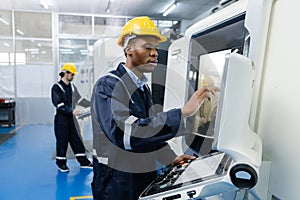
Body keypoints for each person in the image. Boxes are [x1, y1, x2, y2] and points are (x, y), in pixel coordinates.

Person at [91, 16, 213, 200]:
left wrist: (170, 158)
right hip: (116, 182)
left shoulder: (142, 87)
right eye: (148, 47)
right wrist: (183, 112)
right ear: (128, 49)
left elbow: (149, 132)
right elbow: (126, 134)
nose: (155, 53)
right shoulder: (108, 86)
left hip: (140, 176)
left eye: (156, 48)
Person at [51, 62, 93, 172]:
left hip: (72, 119)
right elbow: (59, 105)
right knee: (62, 141)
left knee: (77, 139)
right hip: (61, 120)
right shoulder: (57, 87)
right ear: (65, 73)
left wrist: (92, 104)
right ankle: (61, 163)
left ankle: (83, 162)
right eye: (72, 74)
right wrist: (72, 111)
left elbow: (79, 100)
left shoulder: (73, 87)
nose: (73, 76)